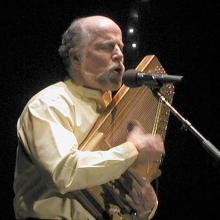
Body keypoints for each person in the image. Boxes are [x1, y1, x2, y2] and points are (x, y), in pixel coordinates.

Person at [13, 15, 165, 220]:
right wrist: (134, 149)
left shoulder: (114, 110)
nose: (119, 54)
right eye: (106, 47)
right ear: (76, 57)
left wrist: (146, 209)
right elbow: (64, 172)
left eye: (120, 46)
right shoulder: (49, 104)